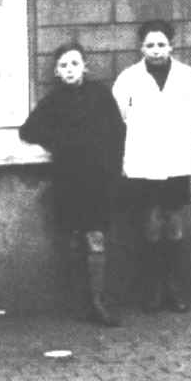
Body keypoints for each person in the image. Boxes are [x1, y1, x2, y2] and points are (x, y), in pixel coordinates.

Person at [19, 42, 126, 326]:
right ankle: (80, 302)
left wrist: (112, 168)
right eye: (64, 65)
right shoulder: (53, 102)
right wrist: (58, 142)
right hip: (70, 181)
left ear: (85, 67)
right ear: (56, 71)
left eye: (75, 64)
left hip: (99, 180)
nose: (70, 70)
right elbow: (29, 130)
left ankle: (98, 302)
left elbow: (118, 132)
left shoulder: (100, 95)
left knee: (96, 239)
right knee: (74, 239)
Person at [112, 19, 191, 313]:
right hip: (144, 160)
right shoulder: (129, 78)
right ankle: (153, 288)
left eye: (161, 44)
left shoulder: (186, 76)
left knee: (174, 222)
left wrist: (176, 132)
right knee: (151, 221)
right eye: (150, 45)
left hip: (176, 158)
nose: (156, 50)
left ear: (171, 46)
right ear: (141, 47)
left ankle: (173, 286)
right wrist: (145, 135)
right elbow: (120, 116)